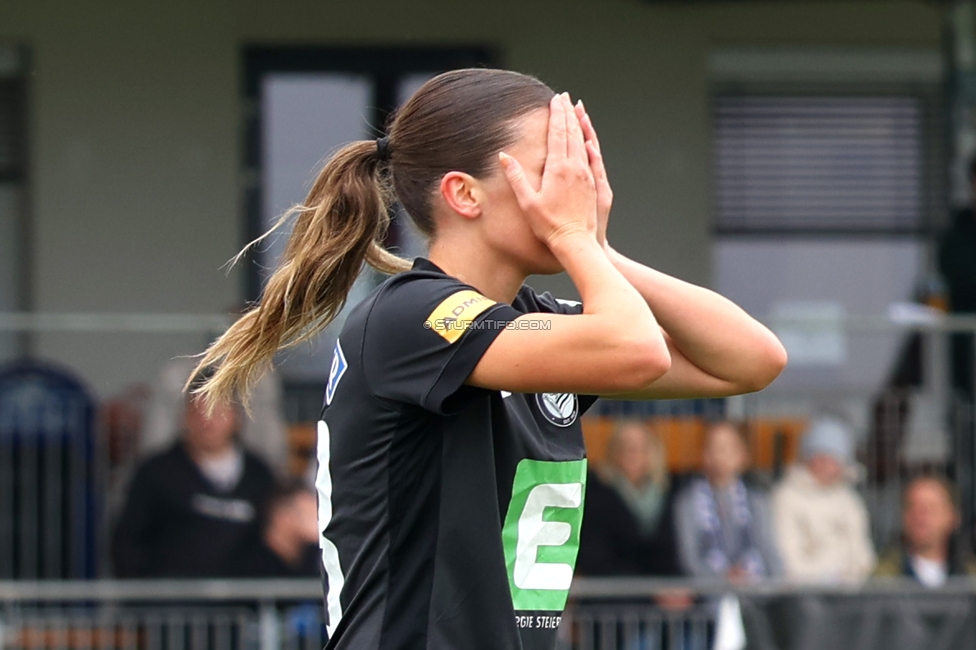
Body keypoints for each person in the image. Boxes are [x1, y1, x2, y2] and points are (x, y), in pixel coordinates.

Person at [188, 69, 787, 650]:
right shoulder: (410, 316)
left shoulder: (527, 325)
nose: (571, 191)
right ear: (464, 194)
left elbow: (751, 360)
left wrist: (600, 249)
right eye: (550, 170)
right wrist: (576, 240)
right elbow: (637, 349)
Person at [112, 373, 275, 578]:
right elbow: (127, 541)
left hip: (241, 596)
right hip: (171, 596)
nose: (208, 421)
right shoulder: (157, 473)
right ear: (185, 417)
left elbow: (274, 543)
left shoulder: (259, 476)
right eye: (199, 412)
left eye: (218, 411)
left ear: (237, 417)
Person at [674, 421, 782, 582]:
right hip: (709, 590)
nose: (720, 455)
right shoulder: (687, 502)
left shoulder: (758, 501)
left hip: (755, 588)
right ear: (703, 455)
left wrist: (777, 584)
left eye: (728, 448)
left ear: (743, 455)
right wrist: (722, 577)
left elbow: (769, 550)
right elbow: (690, 559)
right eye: (714, 448)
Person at [771, 416, 875, 583]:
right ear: (807, 458)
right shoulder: (786, 497)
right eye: (820, 457)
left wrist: (850, 576)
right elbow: (788, 561)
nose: (827, 465)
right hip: (804, 592)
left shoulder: (850, 501)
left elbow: (863, 557)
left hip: (850, 593)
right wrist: (831, 572)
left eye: (834, 458)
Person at [578, 419, 678, 576]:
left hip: (665, 587)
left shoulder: (671, 492)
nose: (632, 454)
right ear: (613, 452)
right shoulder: (595, 494)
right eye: (625, 447)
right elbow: (594, 557)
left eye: (639, 448)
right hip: (613, 587)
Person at [874, 475, 976, 586]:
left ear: (953, 516)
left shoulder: (970, 575)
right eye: (912, 507)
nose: (920, 517)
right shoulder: (883, 578)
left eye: (931, 508)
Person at [227, 479, 321, 578]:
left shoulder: (313, 560)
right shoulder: (250, 566)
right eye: (309, 514)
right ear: (284, 517)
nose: (317, 521)